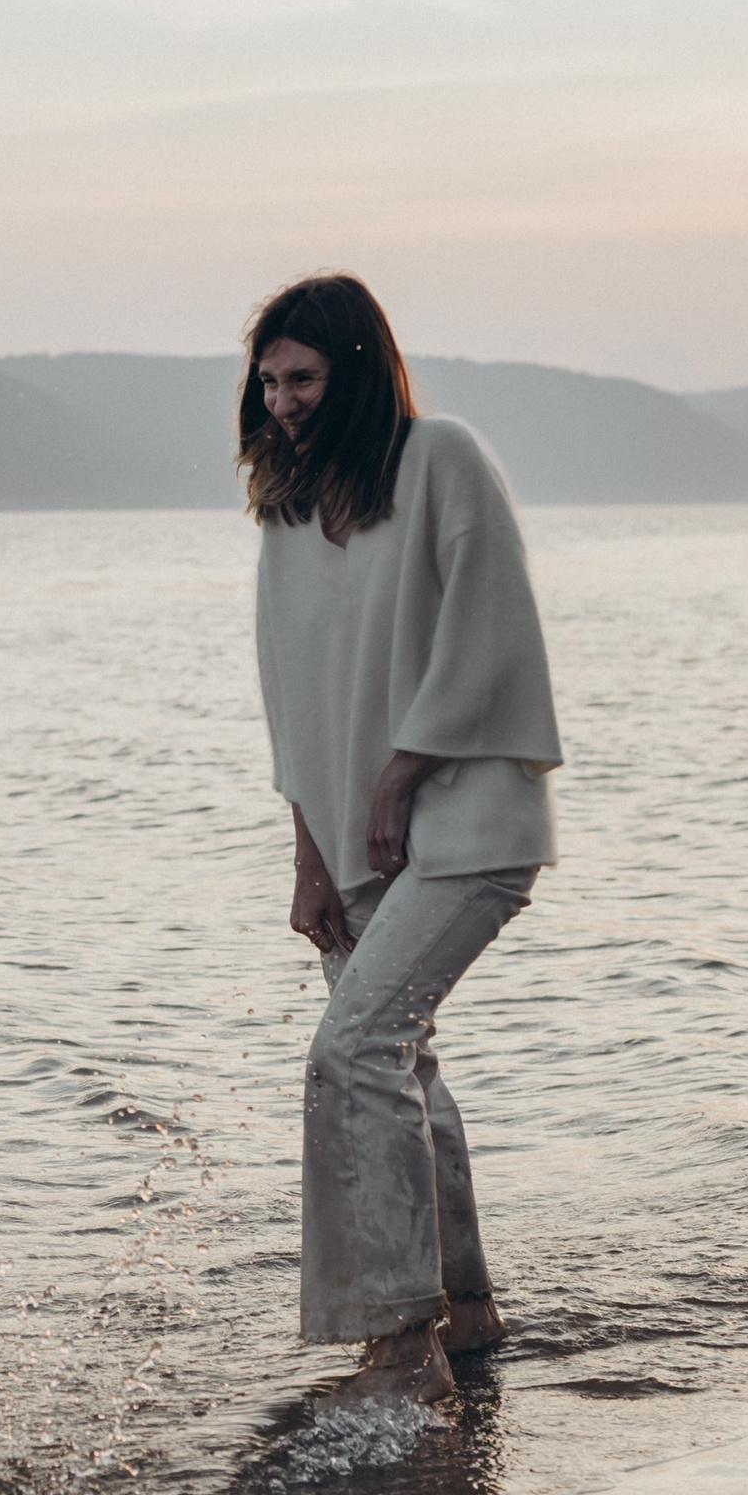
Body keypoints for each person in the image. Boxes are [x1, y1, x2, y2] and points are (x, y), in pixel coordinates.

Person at [245, 270, 561, 1407]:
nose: (283, 401)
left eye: (303, 378)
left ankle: (400, 1350)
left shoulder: (441, 459)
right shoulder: (288, 516)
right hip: (353, 840)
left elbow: (493, 628)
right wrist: (309, 856)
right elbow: (291, 696)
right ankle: (465, 1312)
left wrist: (404, 769)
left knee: (353, 1050)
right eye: (267, 382)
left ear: (358, 371)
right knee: (401, 1062)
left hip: (468, 823)